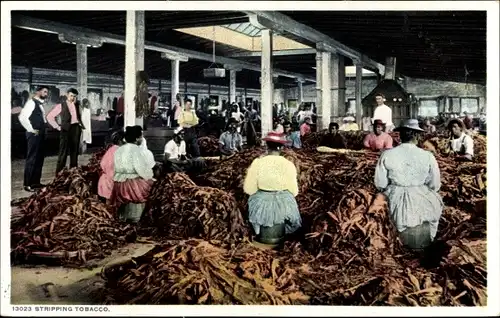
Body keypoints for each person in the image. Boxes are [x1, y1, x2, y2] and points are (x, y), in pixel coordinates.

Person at [374, 119, 443, 251]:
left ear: (400, 135)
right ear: (417, 136)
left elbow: (380, 183)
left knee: (392, 217)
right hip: (422, 195)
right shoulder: (427, 156)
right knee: (429, 210)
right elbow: (435, 184)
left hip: (395, 195)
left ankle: (397, 246)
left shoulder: (387, 154)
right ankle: (423, 245)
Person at [243, 132, 302, 244]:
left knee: (253, 204)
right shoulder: (288, 164)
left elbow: (248, 189)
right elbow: (294, 191)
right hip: (284, 203)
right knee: (289, 205)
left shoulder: (258, 163)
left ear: (267, 146)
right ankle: (281, 235)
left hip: (261, 202)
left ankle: (258, 232)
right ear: (281, 148)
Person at [112, 126, 156, 222]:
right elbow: (141, 169)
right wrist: (150, 177)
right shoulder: (137, 150)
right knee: (154, 186)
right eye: (141, 137)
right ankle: (137, 218)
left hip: (118, 183)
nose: (142, 139)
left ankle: (123, 217)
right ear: (136, 139)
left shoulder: (119, 150)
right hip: (132, 185)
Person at [47, 88, 86, 175]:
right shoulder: (61, 105)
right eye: (71, 96)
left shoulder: (77, 105)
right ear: (67, 95)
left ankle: (74, 173)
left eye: (74, 96)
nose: (72, 98)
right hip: (65, 130)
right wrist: (57, 127)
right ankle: (59, 175)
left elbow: (79, 116)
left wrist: (80, 125)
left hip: (76, 129)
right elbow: (49, 116)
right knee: (63, 153)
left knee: (74, 152)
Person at [18, 86, 49, 192]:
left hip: (40, 134)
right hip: (34, 134)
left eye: (47, 92)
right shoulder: (31, 102)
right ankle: (27, 184)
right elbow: (22, 117)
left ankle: (35, 183)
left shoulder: (40, 104)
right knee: (32, 158)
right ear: (38, 92)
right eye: (44, 92)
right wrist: (30, 129)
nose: (46, 94)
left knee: (39, 158)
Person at [98, 131, 125, 202]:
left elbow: (102, 164)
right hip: (112, 183)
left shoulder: (111, 149)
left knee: (108, 205)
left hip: (104, 182)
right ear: (120, 141)